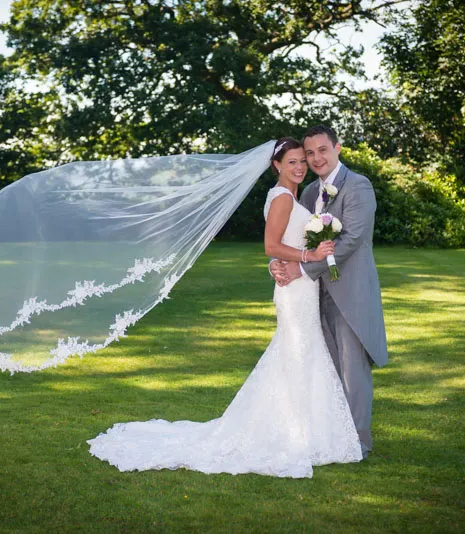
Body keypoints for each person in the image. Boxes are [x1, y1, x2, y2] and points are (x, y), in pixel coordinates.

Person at [87, 137, 363, 477]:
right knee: (296, 352)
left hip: (301, 286)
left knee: (300, 354)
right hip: (296, 290)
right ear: (276, 165)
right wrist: (308, 256)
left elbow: (283, 246)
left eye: (301, 160)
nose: (300, 166)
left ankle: (305, 430)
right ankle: (295, 434)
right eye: (292, 161)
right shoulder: (282, 198)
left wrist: (290, 260)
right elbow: (270, 245)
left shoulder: (294, 196)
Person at [270, 125, 388, 459]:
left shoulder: (358, 186)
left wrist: (303, 268)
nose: (316, 158)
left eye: (323, 150)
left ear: (337, 148)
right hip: (313, 296)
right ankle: (332, 437)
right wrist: (277, 266)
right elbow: (291, 241)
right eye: (310, 153)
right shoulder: (307, 193)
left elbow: (350, 240)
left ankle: (358, 443)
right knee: (325, 369)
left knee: (352, 371)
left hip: (349, 294)